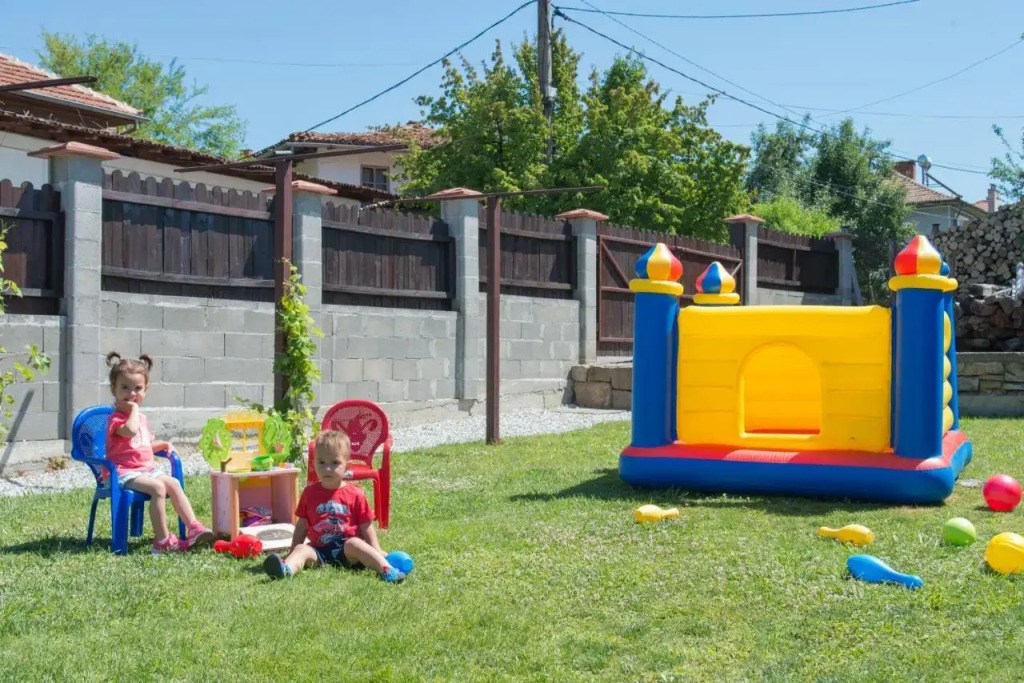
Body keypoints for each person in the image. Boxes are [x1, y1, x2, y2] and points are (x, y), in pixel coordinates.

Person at [105, 351, 215, 554]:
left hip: (145, 470)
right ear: (114, 389)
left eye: (138, 388)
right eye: (125, 387)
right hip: (123, 472)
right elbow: (129, 432)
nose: (132, 393)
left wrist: (162, 445)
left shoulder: (142, 419)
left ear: (146, 390)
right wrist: (134, 410)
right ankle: (163, 542)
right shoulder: (117, 418)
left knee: (172, 483)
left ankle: (193, 528)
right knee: (157, 488)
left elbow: (142, 445)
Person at [263, 430, 405, 583]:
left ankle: (385, 569)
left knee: (356, 543)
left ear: (347, 466)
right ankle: (286, 569)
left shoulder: (355, 493)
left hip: (347, 550)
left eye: (335, 463)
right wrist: (293, 551)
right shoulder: (309, 493)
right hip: (318, 550)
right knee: (302, 549)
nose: (327, 468)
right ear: (314, 463)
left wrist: (376, 549)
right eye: (321, 463)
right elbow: (301, 526)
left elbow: (366, 526)